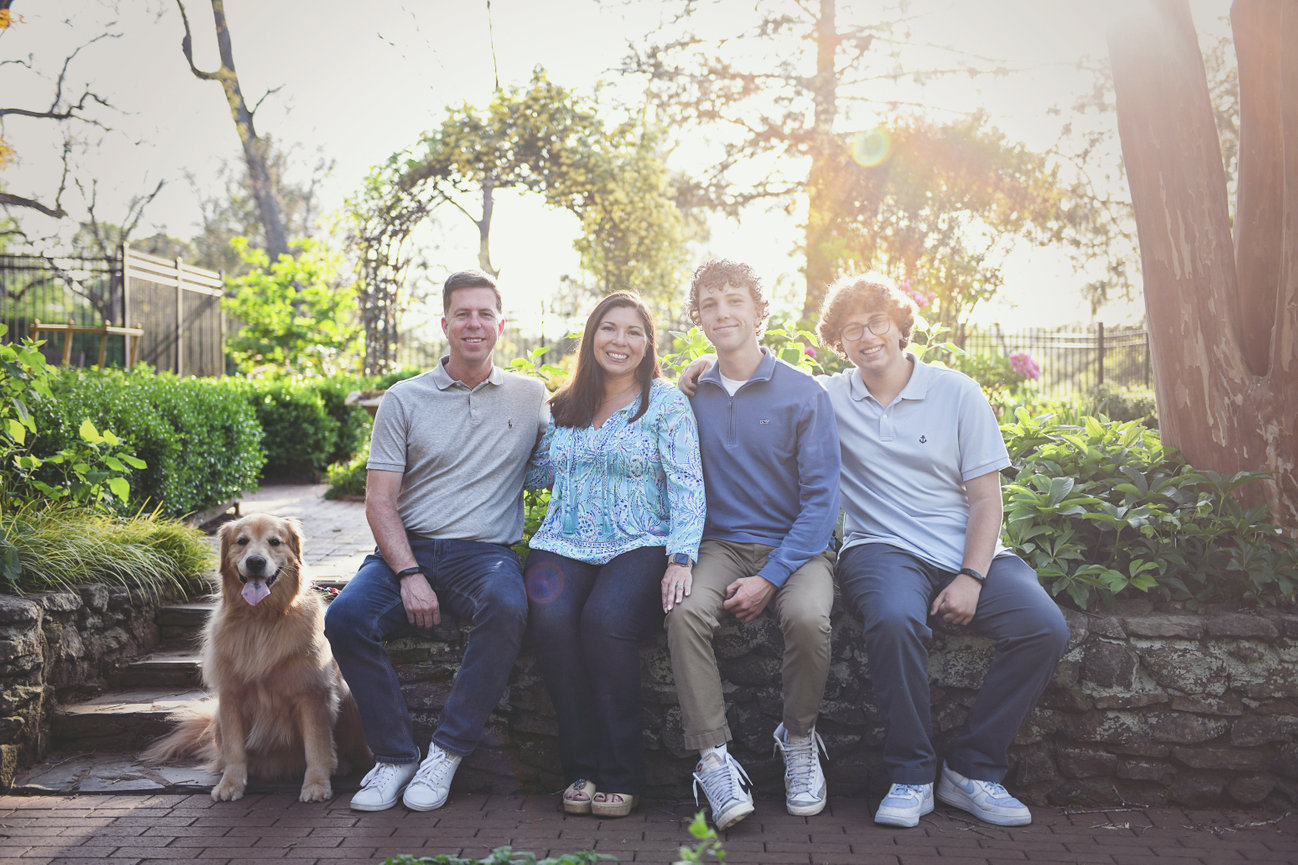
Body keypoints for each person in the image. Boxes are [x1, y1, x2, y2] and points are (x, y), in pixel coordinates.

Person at [816, 273, 1070, 828]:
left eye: (876, 321)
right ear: (839, 342)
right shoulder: (829, 396)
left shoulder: (956, 391)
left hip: (965, 549)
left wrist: (971, 577)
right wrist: (698, 371)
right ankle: (910, 775)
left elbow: (985, 500)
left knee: (1044, 628)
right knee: (893, 619)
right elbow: (762, 378)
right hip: (880, 547)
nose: (866, 336)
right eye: (851, 328)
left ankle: (971, 770)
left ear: (899, 324)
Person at [323, 270, 548, 812]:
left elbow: (593, 412)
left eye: (485, 313)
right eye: (463, 314)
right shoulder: (405, 398)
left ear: (501, 323)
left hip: (484, 555)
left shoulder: (529, 395)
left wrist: (692, 377)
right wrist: (407, 573)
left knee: (507, 607)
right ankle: (395, 757)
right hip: (408, 547)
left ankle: (445, 753)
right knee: (345, 618)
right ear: (445, 324)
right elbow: (380, 501)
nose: (475, 324)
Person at [667, 259, 841, 830]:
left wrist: (773, 576)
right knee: (685, 610)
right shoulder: (689, 393)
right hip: (719, 544)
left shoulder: (804, 393)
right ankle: (714, 759)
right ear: (698, 317)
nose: (723, 313)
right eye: (710, 304)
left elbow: (821, 503)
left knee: (810, 617)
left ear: (760, 311)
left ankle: (797, 739)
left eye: (734, 300)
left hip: (798, 547)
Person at [523, 291, 705, 818]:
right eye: (609, 328)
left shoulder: (666, 403)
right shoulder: (564, 405)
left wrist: (681, 557)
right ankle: (579, 768)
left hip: (641, 541)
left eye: (633, 332)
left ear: (648, 344)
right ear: (591, 337)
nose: (619, 341)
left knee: (605, 622)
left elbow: (687, 485)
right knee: (553, 622)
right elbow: (534, 471)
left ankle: (622, 772)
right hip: (562, 541)